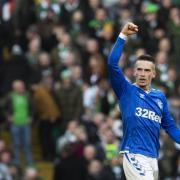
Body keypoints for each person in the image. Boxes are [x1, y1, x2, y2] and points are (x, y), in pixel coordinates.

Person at [108, 22, 180, 180]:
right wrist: (123, 36)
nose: (142, 73)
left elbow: (171, 129)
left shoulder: (159, 97)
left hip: (153, 158)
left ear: (153, 74)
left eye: (147, 70)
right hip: (134, 154)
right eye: (139, 69)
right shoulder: (126, 91)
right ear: (134, 72)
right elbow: (112, 64)